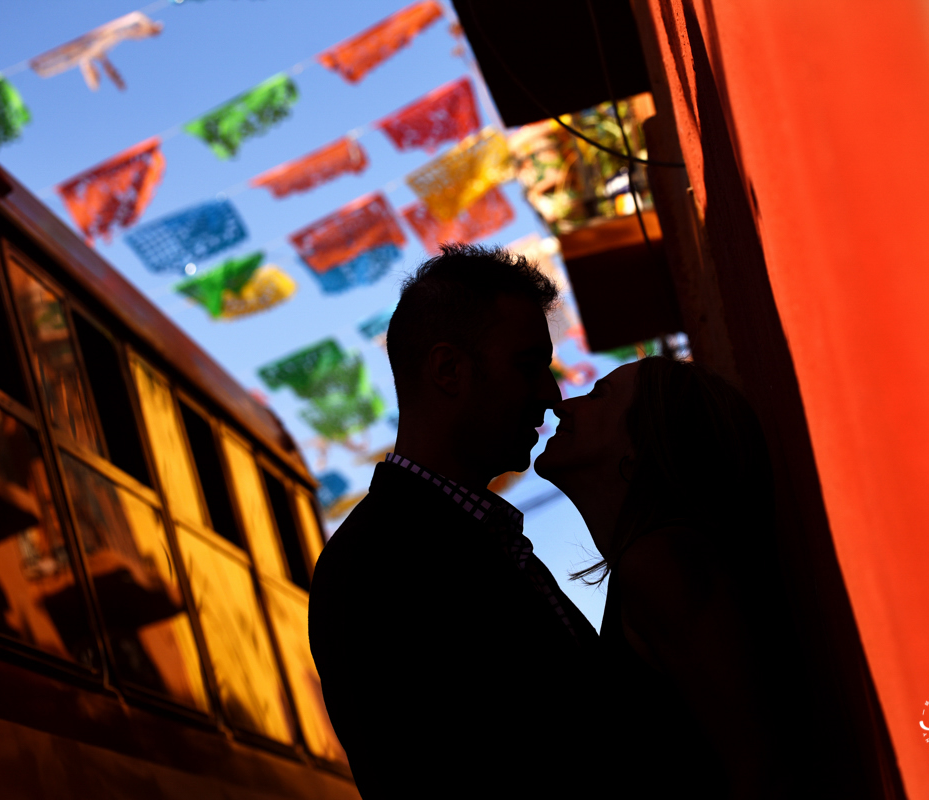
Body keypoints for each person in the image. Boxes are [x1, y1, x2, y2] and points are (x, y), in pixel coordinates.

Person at [309, 245, 602, 798]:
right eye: (527, 366)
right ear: (448, 370)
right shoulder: (382, 567)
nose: (551, 394)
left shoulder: (460, 536)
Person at [535, 356, 800, 798]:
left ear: (637, 450)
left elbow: (761, 771)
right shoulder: (658, 560)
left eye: (598, 396)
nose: (565, 406)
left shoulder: (660, 562)